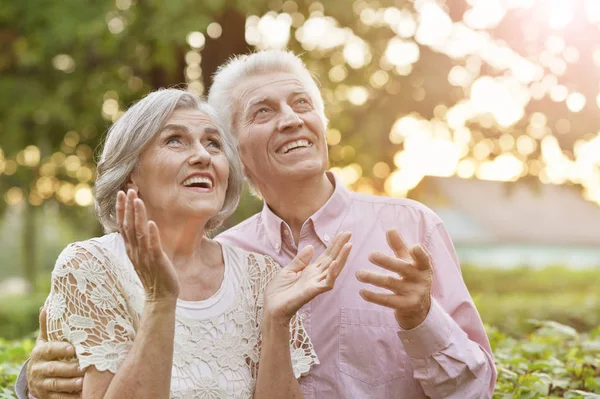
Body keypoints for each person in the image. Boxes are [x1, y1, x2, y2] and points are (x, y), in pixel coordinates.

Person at [20, 50, 496, 399]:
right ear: (236, 152)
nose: (291, 120)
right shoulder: (229, 257)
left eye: (302, 105)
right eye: (263, 111)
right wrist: (30, 381)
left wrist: (420, 319)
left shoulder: (411, 228)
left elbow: (476, 388)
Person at [19, 88, 352, 399]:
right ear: (132, 171)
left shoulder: (260, 274)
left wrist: (276, 323)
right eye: (175, 140)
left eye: (213, 144)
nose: (202, 156)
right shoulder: (91, 265)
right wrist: (160, 299)